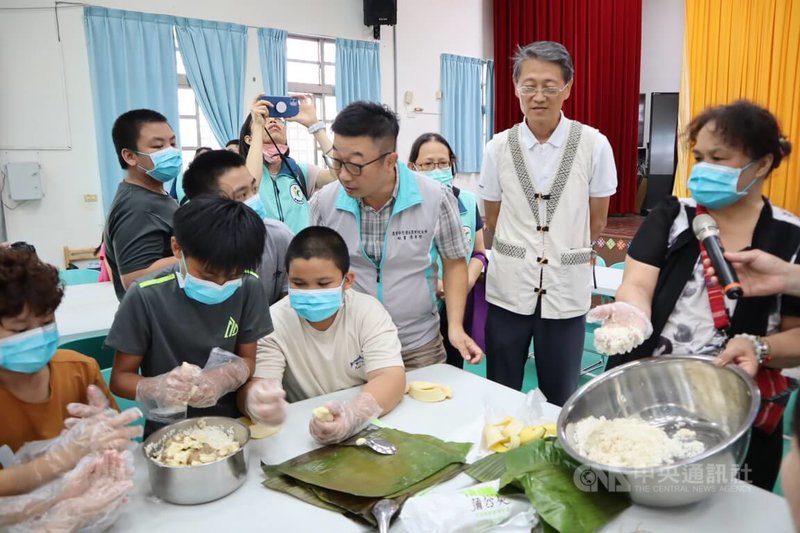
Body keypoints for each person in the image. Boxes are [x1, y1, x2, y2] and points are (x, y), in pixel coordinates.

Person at [590, 100, 800, 491]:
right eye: (699, 157)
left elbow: (796, 337)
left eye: (719, 158)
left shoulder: (790, 237)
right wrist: (632, 313)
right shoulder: (672, 215)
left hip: (732, 415)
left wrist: (760, 347)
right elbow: (637, 282)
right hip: (645, 400)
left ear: (763, 164)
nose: (703, 169)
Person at [478, 41, 618, 404]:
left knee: (560, 392)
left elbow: (597, 219)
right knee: (499, 386)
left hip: (565, 287)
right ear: (515, 88)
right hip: (509, 287)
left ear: (567, 88)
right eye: (529, 85)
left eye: (549, 86)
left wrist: (562, 246)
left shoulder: (594, 144)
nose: (538, 95)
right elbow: (492, 217)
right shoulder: (498, 146)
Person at [310, 101, 483, 369]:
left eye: (355, 165)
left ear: (390, 161)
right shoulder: (325, 202)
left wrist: (456, 328)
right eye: (337, 161)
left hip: (418, 343)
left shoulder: (435, 198)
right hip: (351, 343)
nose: (343, 175)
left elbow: (454, 263)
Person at [106, 195, 273, 436]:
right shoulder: (145, 296)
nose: (220, 284)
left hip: (234, 426)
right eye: (207, 275)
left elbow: (248, 360)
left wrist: (223, 378)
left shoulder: (248, 286)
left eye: (232, 275)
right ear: (177, 248)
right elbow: (120, 379)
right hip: (169, 431)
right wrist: (158, 387)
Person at [242, 227, 406, 444]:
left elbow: (390, 377)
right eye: (299, 283)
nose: (311, 292)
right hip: (304, 433)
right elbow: (262, 384)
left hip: (368, 429)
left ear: (347, 280)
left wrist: (352, 417)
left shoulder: (368, 312)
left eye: (323, 283)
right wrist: (257, 401)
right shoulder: (273, 322)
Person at [0, 247, 142, 451]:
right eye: (20, 329)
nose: (38, 335)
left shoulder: (79, 370)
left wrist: (109, 437)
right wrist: (57, 463)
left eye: (47, 321)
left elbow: (116, 441)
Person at [408, 133, 488, 368]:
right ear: (413, 167)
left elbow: (479, 252)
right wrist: (437, 284)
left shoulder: (468, 201)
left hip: (456, 305)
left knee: (453, 368)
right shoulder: (407, 206)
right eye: (428, 164)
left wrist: (467, 279)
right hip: (418, 306)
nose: (437, 169)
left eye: (443, 163)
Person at [182, 150, 294, 304]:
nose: (253, 200)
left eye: (254, 189)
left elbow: (287, 303)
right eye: (241, 195)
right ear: (206, 206)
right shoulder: (192, 254)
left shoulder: (279, 236)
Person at [103, 109, 181, 301]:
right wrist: (203, 256)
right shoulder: (136, 206)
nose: (170, 151)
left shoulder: (157, 195)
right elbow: (134, 277)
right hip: (157, 321)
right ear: (130, 156)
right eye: (158, 146)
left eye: (172, 143)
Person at [240, 94, 335, 233]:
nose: (273, 121)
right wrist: (258, 125)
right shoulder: (243, 173)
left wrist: (315, 125)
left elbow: (338, 174)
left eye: (278, 119)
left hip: (299, 252)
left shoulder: (299, 171)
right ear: (249, 139)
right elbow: (251, 185)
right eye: (267, 118)